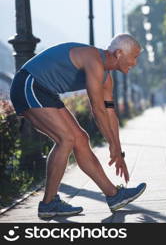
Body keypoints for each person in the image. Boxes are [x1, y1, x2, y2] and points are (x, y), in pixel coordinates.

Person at [9, 34, 146, 218]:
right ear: (119, 53)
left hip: (46, 92)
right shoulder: (94, 60)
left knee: (80, 139)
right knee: (66, 139)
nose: (135, 63)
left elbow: (109, 112)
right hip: (29, 85)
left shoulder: (106, 78)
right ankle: (49, 203)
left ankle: (114, 196)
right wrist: (112, 145)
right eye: (134, 57)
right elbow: (97, 109)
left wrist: (118, 149)